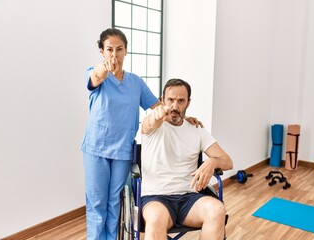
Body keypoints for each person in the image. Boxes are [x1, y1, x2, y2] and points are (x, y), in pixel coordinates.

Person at [81, 29, 202, 240]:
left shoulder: (135, 82)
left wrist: (181, 116)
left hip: (122, 150)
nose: (114, 55)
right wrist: (104, 68)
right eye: (109, 50)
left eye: (119, 49)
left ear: (126, 51)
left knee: (114, 201)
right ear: (102, 51)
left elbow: (158, 107)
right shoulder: (96, 74)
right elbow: (96, 76)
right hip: (96, 148)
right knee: (97, 201)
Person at [140, 78, 234, 240]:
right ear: (162, 100)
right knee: (156, 218)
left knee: (217, 210)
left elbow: (227, 161)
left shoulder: (196, 129)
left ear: (188, 103)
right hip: (155, 198)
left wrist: (212, 162)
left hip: (189, 198)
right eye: (170, 100)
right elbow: (151, 122)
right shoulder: (152, 125)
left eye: (181, 101)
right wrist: (157, 115)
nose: (175, 106)